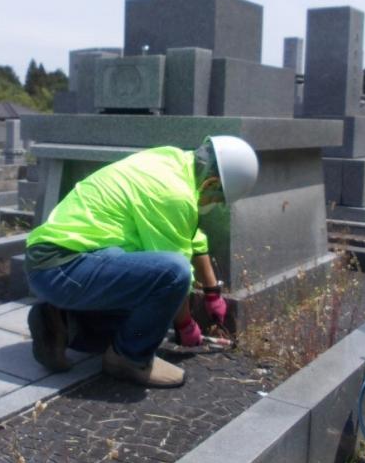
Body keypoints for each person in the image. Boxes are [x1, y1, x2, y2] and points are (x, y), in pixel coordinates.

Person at [25, 135, 259, 388]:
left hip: (59, 261)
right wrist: (185, 325)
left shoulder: (171, 161)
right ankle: (129, 359)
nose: (212, 204)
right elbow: (175, 273)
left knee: (145, 319)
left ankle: (63, 324)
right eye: (216, 199)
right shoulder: (173, 194)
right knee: (170, 279)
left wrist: (213, 293)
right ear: (212, 182)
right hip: (63, 265)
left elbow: (192, 235)